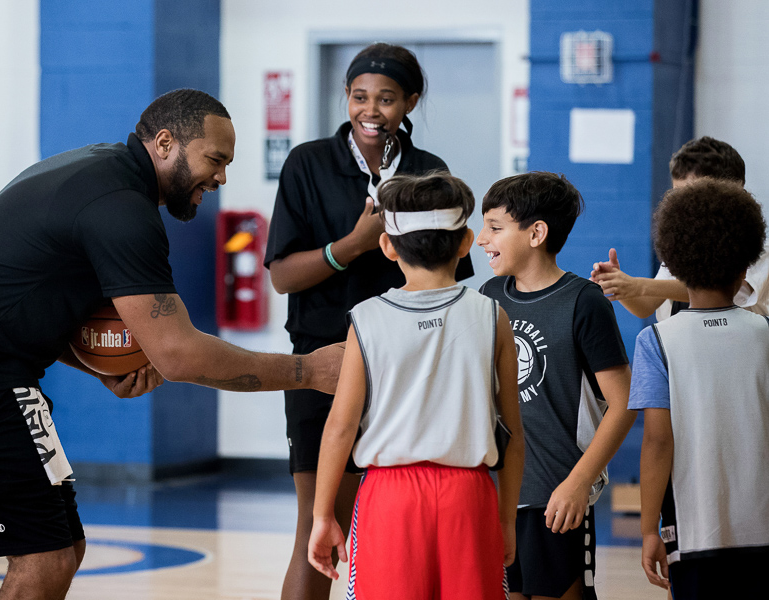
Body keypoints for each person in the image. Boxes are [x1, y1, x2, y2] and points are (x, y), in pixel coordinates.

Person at [0, 89, 343, 600]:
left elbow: (21, 295)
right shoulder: (121, 207)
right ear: (166, 142)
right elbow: (178, 355)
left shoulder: (96, 171)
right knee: (46, 556)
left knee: (64, 550)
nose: (220, 178)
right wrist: (309, 371)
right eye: (214, 160)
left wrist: (99, 367)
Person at [264, 42, 474, 600]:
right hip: (322, 363)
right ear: (346, 97)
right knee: (318, 525)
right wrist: (352, 247)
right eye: (359, 97)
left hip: (408, 365)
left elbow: (454, 273)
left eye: (385, 99)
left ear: (410, 101)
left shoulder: (430, 172)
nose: (370, 110)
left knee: (390, 530)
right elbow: (283, 275)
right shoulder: (308, 163)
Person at [306, 172, 523, 599]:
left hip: (390, 500)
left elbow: (340, 427)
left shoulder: (366, 318)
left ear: (387, 245)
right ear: (464, 243)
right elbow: (513, 433)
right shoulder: (492, 315)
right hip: (470, 496)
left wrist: (321, 515)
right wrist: (507, 519)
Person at [476, 172, 636, 600]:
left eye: (493, 227)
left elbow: (624, 403)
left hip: (557, 498)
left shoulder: (584, 301)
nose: (479, 238)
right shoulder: (489, 295)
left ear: (536, 233)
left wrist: (579, 482)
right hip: (502, 494)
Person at [629, 178, 769, 599]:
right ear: (745, 266)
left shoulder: (655, 341)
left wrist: (648, 527)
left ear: (673, 263)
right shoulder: (765, 333)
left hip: (693, 532)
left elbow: (657, 441)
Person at [590, 136, 769, 319]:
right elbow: (645, 307)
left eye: (693, 198)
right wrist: (618, 284)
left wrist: (638, 285)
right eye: (677, 195)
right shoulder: (684, 246)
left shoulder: (758, 248)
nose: (682, 207)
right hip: (681, 344)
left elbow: (725, 292)